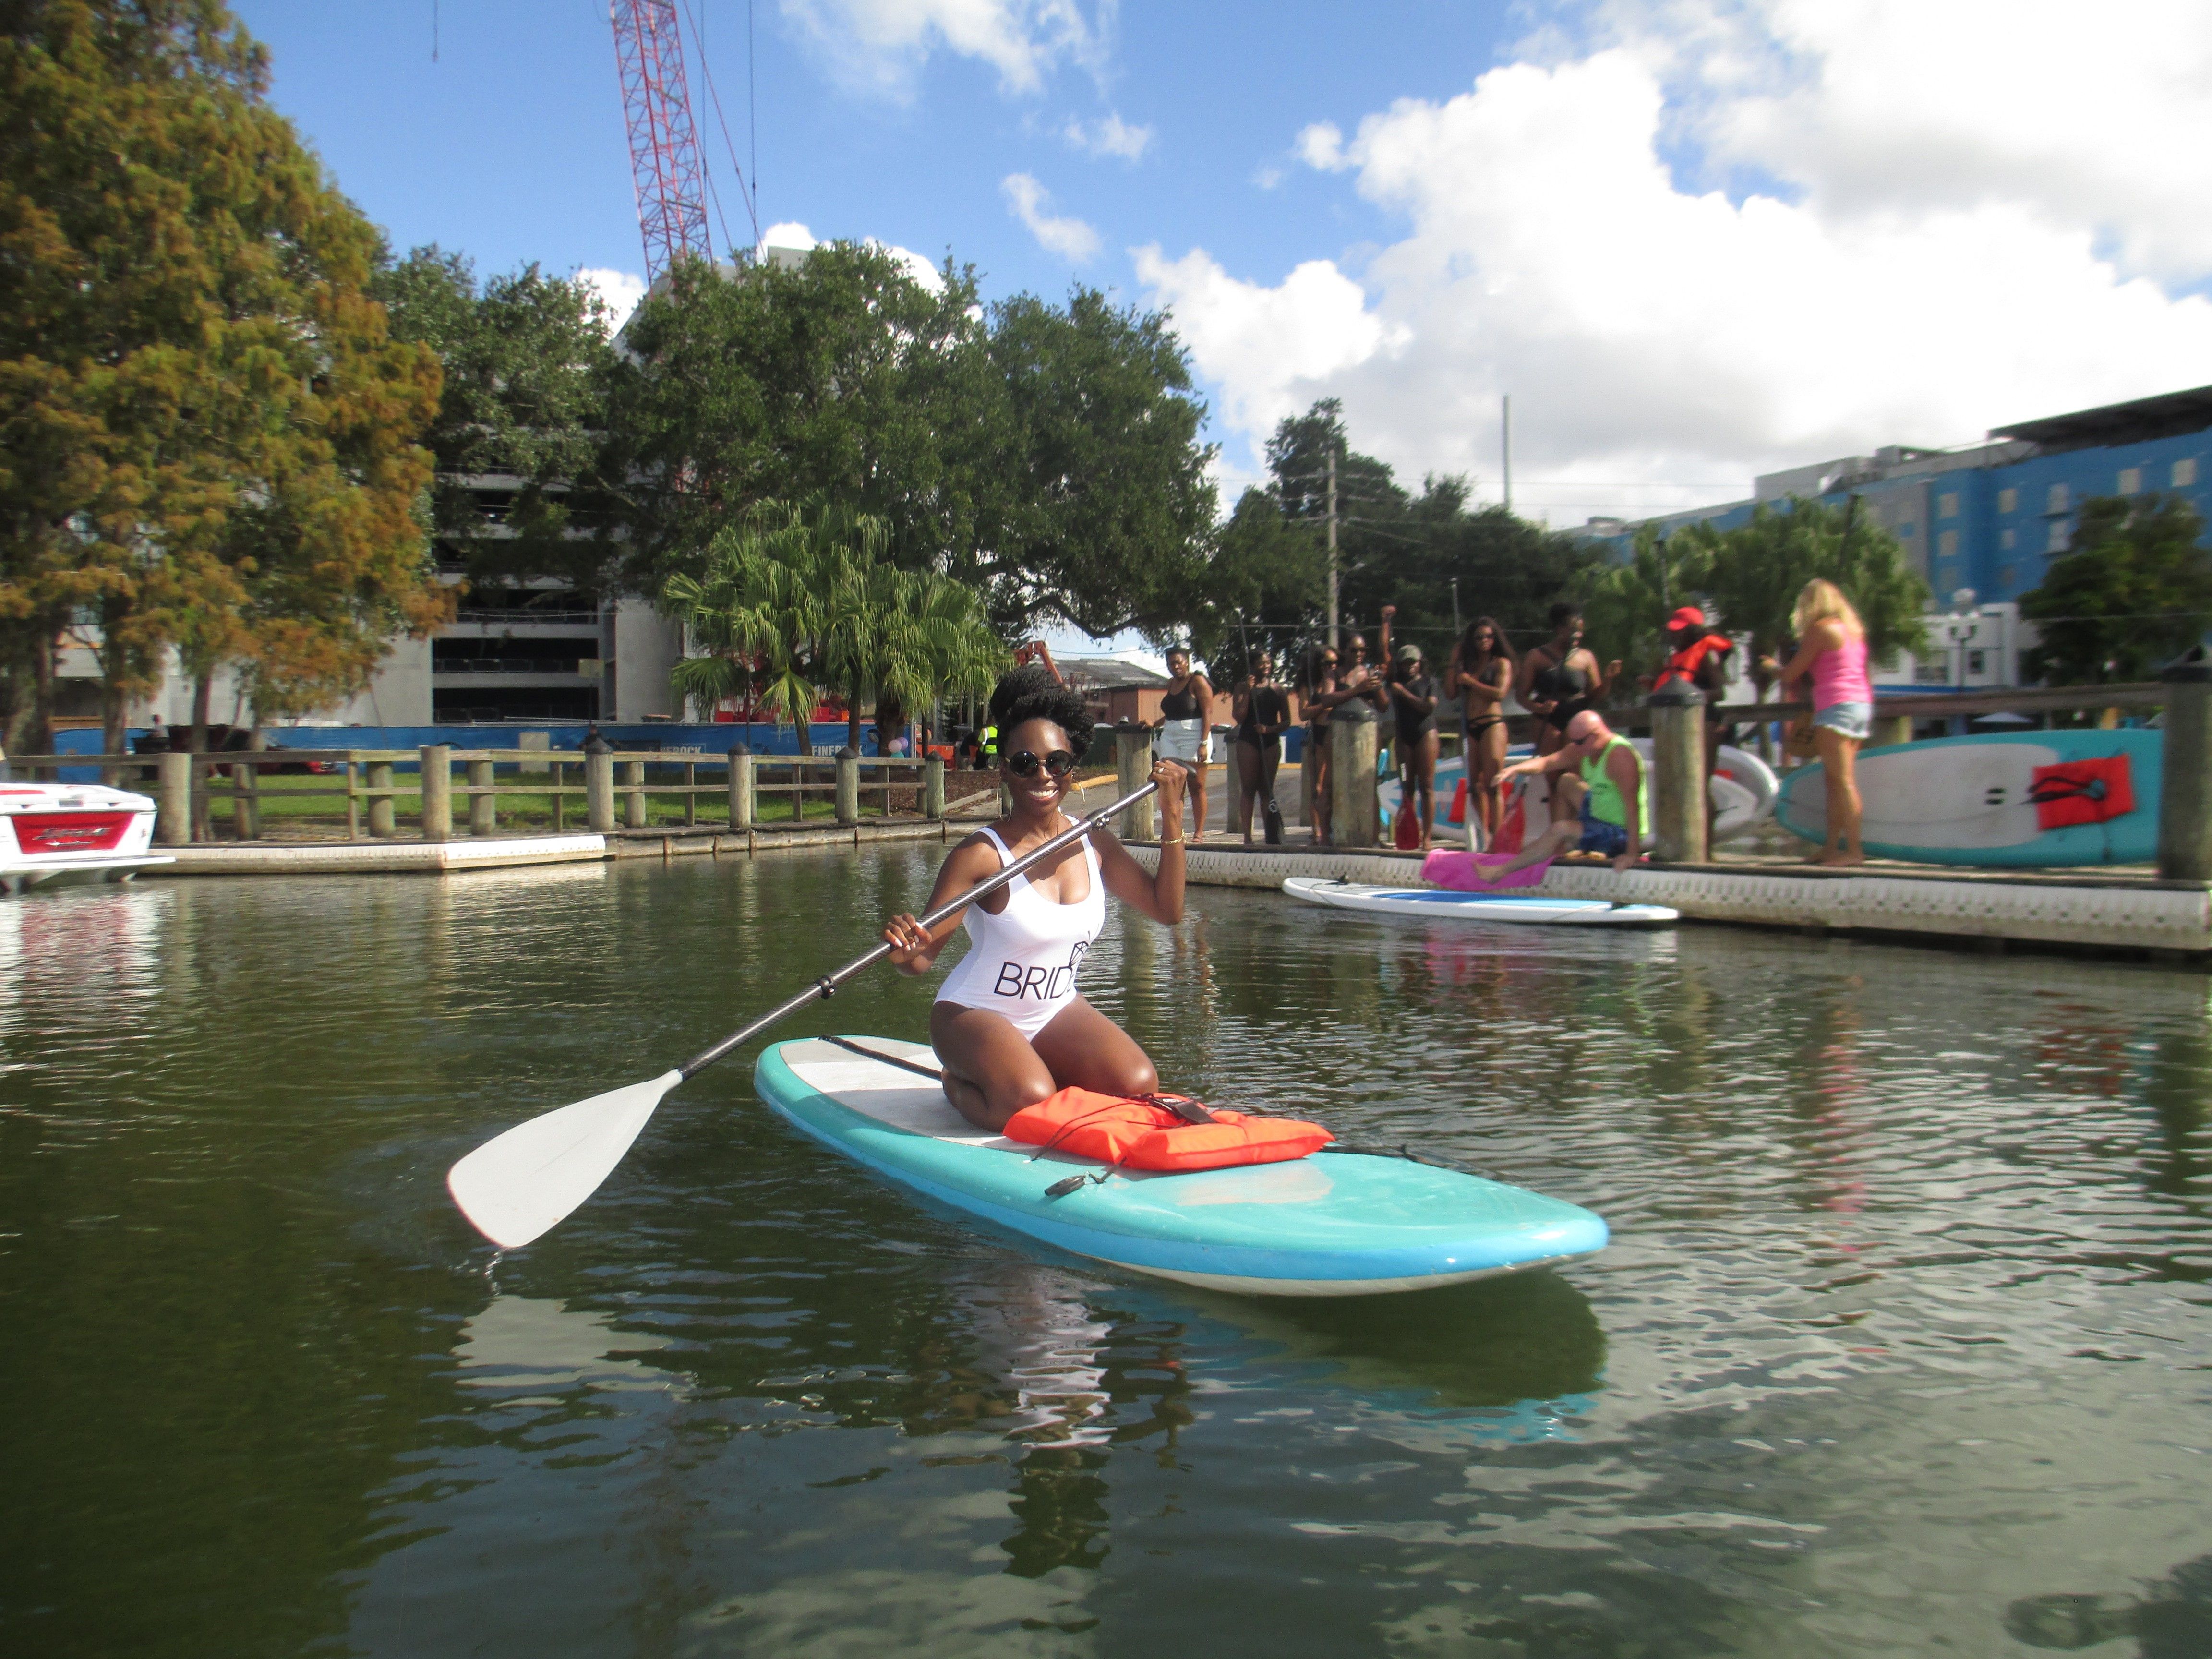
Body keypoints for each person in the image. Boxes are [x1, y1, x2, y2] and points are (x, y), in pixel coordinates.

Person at [881, 666, 1188, 1131]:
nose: (1043, 775)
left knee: (1137, 1084)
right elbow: (920, 961)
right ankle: (958, 1083)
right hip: (974, 1014)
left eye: (1057, 762)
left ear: (1072, 768)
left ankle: (1033, 1069)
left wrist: (1173, 815)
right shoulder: (981, 854)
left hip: (1056, 1009)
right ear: (1004, 769)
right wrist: (905, 949)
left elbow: (1168, 912)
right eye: (1026, 763)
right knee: (1027, 1103)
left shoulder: (1093, 841)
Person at [1767, 577, 1871, 866]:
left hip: (1835, 706)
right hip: (1860, 704)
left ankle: (1853, 851)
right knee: (1835, 782)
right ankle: (1832, 849)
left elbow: (1791, 675)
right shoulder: (1853, 630)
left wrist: (1772, 668)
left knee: (1842, 782)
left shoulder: (1821, 630)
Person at [1477, 709, 1645, 878]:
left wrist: (1631, 855)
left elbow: (1633, 808)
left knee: (1560, 829)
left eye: (1579, 742)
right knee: (1567, 781)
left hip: (1619, 833)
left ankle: (1500, 872)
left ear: (1595, 735)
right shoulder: (1584, 748)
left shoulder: (1620, 757)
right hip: (1598, 815)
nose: (1575, 747)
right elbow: (1548, 763)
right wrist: (1516, 769)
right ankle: (1559, 847)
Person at [1654, 605, 1736, 844]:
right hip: (1683, 726)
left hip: (1707, 722)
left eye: (1680, 632)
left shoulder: (1706, 654)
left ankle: (1706, 848)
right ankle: (1687, 843)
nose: (1675, 636)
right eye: (1673, 632)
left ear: (1693, 631)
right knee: (1683, 786)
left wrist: (1688, 696)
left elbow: (1719, 692)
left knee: (1700, 785)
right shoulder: (1678, 657)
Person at [1376, 606, 1441, 850]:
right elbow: (1385, 651)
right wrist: (1385, 623)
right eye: (1405, 663)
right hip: (1404, 737)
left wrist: (1402, 694)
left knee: (1427, 786)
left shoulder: (1429, 682)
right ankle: (1409, 834)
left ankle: (1427, 837)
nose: (1409, 666)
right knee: (1407, 787)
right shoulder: (1395, 679)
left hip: (1426, 733)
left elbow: (1428, 708)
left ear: (1419, 662)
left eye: (1413, 662)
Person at [1447, 616, 1515, 848]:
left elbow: (1499, 693)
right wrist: (1454, 662)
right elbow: (1450, 693)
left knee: (1493, 783)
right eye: (1479, 637)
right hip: (1471, 725)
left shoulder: (1501, 663)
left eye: (1488, 636)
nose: (1484, 641)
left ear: (1495, 639)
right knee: (1475, 786)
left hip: (1492, 724)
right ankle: (1486, 836)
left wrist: (1471, 682)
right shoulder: (1467, 664)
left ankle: (1499, 837)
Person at [1152, 647, 1213, 844]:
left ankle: (1199, 833)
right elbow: (1172, 712)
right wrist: (1154, 724)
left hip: (1194, 734)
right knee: (1172, 783)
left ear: (1187, 661)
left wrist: (1203, 743)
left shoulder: (1198, 682)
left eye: (1179, 662)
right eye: (1171, 664)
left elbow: (1208, 713)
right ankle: (1174, 830)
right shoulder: (1171, 684)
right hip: (1170, 734)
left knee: (1197, 785)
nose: (1175, 667)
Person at [1230, 648, 1291, 846]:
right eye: (1261, 663)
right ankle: (1247, 837)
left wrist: (1269, 729)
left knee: (1267, 790)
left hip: (1270, 741)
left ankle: (1270, 835)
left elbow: (1287, 722)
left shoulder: (1278, 689)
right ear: (1252, 666)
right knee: (1248, 790)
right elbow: (1239, 716)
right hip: (1248, 739)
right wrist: (1248, 691)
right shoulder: (1241, 687)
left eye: (1268, 662)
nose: (1266, 667)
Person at [1303, 643, 1340, 844]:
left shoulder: (1340, 680)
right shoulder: (1311, 685)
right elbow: (1303, 713)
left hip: (1334, 734)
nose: (1330, 667)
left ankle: (1331, 826)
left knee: (1333, 785)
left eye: (1334, 663)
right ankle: (1317, 831)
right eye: (1326, 663)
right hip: (1317, 733)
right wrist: (1323, 705)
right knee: (1317, 787)